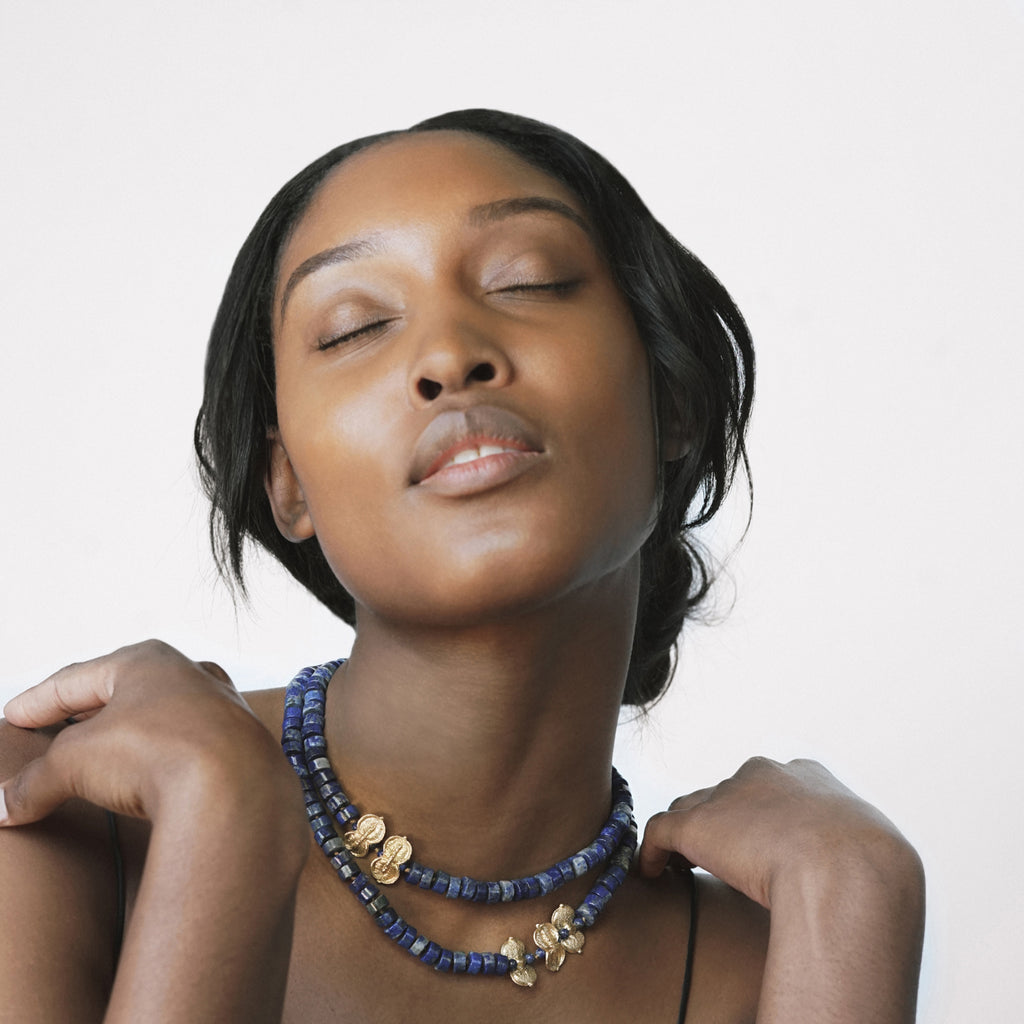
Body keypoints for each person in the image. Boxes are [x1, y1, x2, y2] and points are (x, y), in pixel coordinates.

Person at [0, 110, 924, 1023]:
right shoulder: (59, 809)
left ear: (672, 395)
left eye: (528, 280)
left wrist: (855, 894)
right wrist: (222, 832)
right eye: (354, 328)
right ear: (288, 483)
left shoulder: (770, 966)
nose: (448, 355)